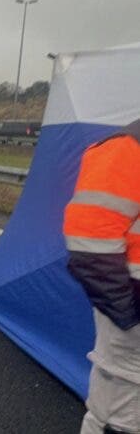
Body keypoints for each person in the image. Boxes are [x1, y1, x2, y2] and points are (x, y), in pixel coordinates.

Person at [64, 119, 140, 433]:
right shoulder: (127, 149)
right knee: (118, 419)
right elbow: (89, 248)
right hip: (132, 311)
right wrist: (130, 317)